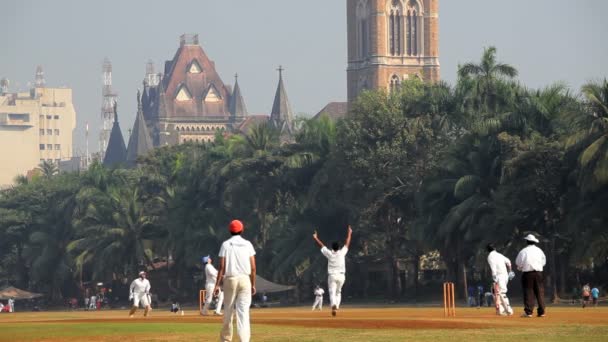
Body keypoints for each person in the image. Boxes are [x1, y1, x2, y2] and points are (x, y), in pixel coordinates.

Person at [213, 219, 256, 342]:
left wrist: (217, 285)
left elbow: (221, 267)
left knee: (228, 311)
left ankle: (226, 339)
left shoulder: (225, 244)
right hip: (245, 279)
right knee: (243, 312)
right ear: (242, 230)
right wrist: (253, 284)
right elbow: (253, 267)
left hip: (230, 279)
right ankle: (244, 340)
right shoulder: (248, 244)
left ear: (230, 231)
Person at [312, 225, 352, 317]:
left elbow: (322, 246)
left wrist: (316, 238)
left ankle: (333, 304)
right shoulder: (342, 253)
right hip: (342, 276)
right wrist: (349, 233)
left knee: (332, 292)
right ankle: (336, 306)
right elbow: (347, 243)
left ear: (332, 248)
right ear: (338, 247)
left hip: (332, 276)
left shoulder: (330, 254)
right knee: (339, 292)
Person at [515, 234, 546, 318]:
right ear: (534, 242)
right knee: (540, 292)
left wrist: (521, 267)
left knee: (528, 292)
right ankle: (542, 312)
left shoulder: (523, 251)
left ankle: (528, 312)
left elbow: (518, 263)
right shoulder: (539, 251)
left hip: (528, 274)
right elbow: (543, 262)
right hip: (539, 273)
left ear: (527, 241)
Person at [486, 244, 515, 316]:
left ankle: (509, 310)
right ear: (495, 248)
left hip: (499, 276)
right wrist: (510, 271)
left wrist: (494, 276)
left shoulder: (490, 256)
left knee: (501, 293)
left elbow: (493, 267)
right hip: (505, 276)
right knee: (496, 292)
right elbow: (508, 262)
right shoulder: (499, 255)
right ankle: (501, 310)